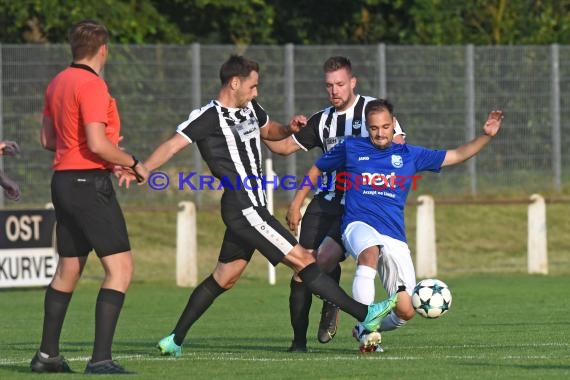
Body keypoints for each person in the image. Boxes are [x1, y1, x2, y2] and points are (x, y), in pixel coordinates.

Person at [122, 55, 397, 357]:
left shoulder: (250, 107)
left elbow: (271, 132)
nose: (256, 93)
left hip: (253, 207)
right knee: (304, 260)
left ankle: (174, 339)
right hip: (245, 208)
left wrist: (290, 129)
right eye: (253, 86)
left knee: (224, 277)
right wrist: (143, 168)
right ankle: (364, 313)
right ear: (235, 83)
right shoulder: (208, 117)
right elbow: (173, 144)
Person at [293, 99, 503, 352]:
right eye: (373, 128)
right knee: (369, 253)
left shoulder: (410, 155)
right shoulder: (351, 147)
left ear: (394, 125)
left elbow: (457, 155)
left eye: (384, 126)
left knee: (406, 309)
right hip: (357, 224)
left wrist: (485, 136)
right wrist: (297, 204)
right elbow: (317, 167)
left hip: (393, 234)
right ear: (367, 128)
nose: (379, 133)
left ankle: (364, 328)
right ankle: (367, 332)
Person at [30, 19, 148, 375]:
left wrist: (105, 159)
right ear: (103, 50)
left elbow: (48, 141)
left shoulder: (58, 82)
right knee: (121, 268)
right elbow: (97, 144)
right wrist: (132, 162)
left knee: (68, 268)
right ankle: (100, 359)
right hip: (87, 184)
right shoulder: (92, 85)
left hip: (62, 182)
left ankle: (47, 356)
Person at [265, 56, 405, 352]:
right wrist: (273, 128)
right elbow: (282, 148)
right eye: (329, 85)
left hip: (359, 208)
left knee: (330, 261)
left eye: (340, 84)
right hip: (324, 204)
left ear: (353, 82)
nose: (334, 91)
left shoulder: (374, 112)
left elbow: (400, 148)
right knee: (301, 270)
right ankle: (299, 342)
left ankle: (342, 307)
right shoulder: (322, 119)